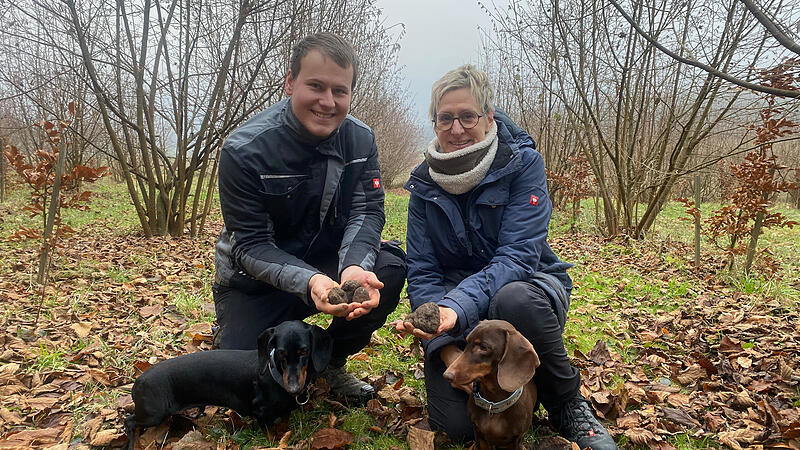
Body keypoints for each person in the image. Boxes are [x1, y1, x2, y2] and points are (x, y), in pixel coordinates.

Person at [393, 65, 617, 450]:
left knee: (512, 298)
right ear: (435, 123)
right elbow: (422, 270)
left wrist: (454, 308)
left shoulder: (523, 164)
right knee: (459, 427)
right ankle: (507, 379)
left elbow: (517, 257)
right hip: (454, 315)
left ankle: (566, 402)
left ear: (489, 117)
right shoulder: (423, 183)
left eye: (467, 116)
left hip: (523, 287)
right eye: (445, 118)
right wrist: (445, 346)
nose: (456, 129)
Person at [212, 32, 406, 404]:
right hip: (254, 282)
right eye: (316, 86)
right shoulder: (244, 149)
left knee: (389, 268)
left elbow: (367, 211)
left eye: (340, 91)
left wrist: (352, 269)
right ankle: (233, 331)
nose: (327, 102)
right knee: (252, 391)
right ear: (290, 82)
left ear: (350, 93)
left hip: (326, 266)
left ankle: (329, 361)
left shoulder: (361, 140)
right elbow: (250, 245)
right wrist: (311, 281)